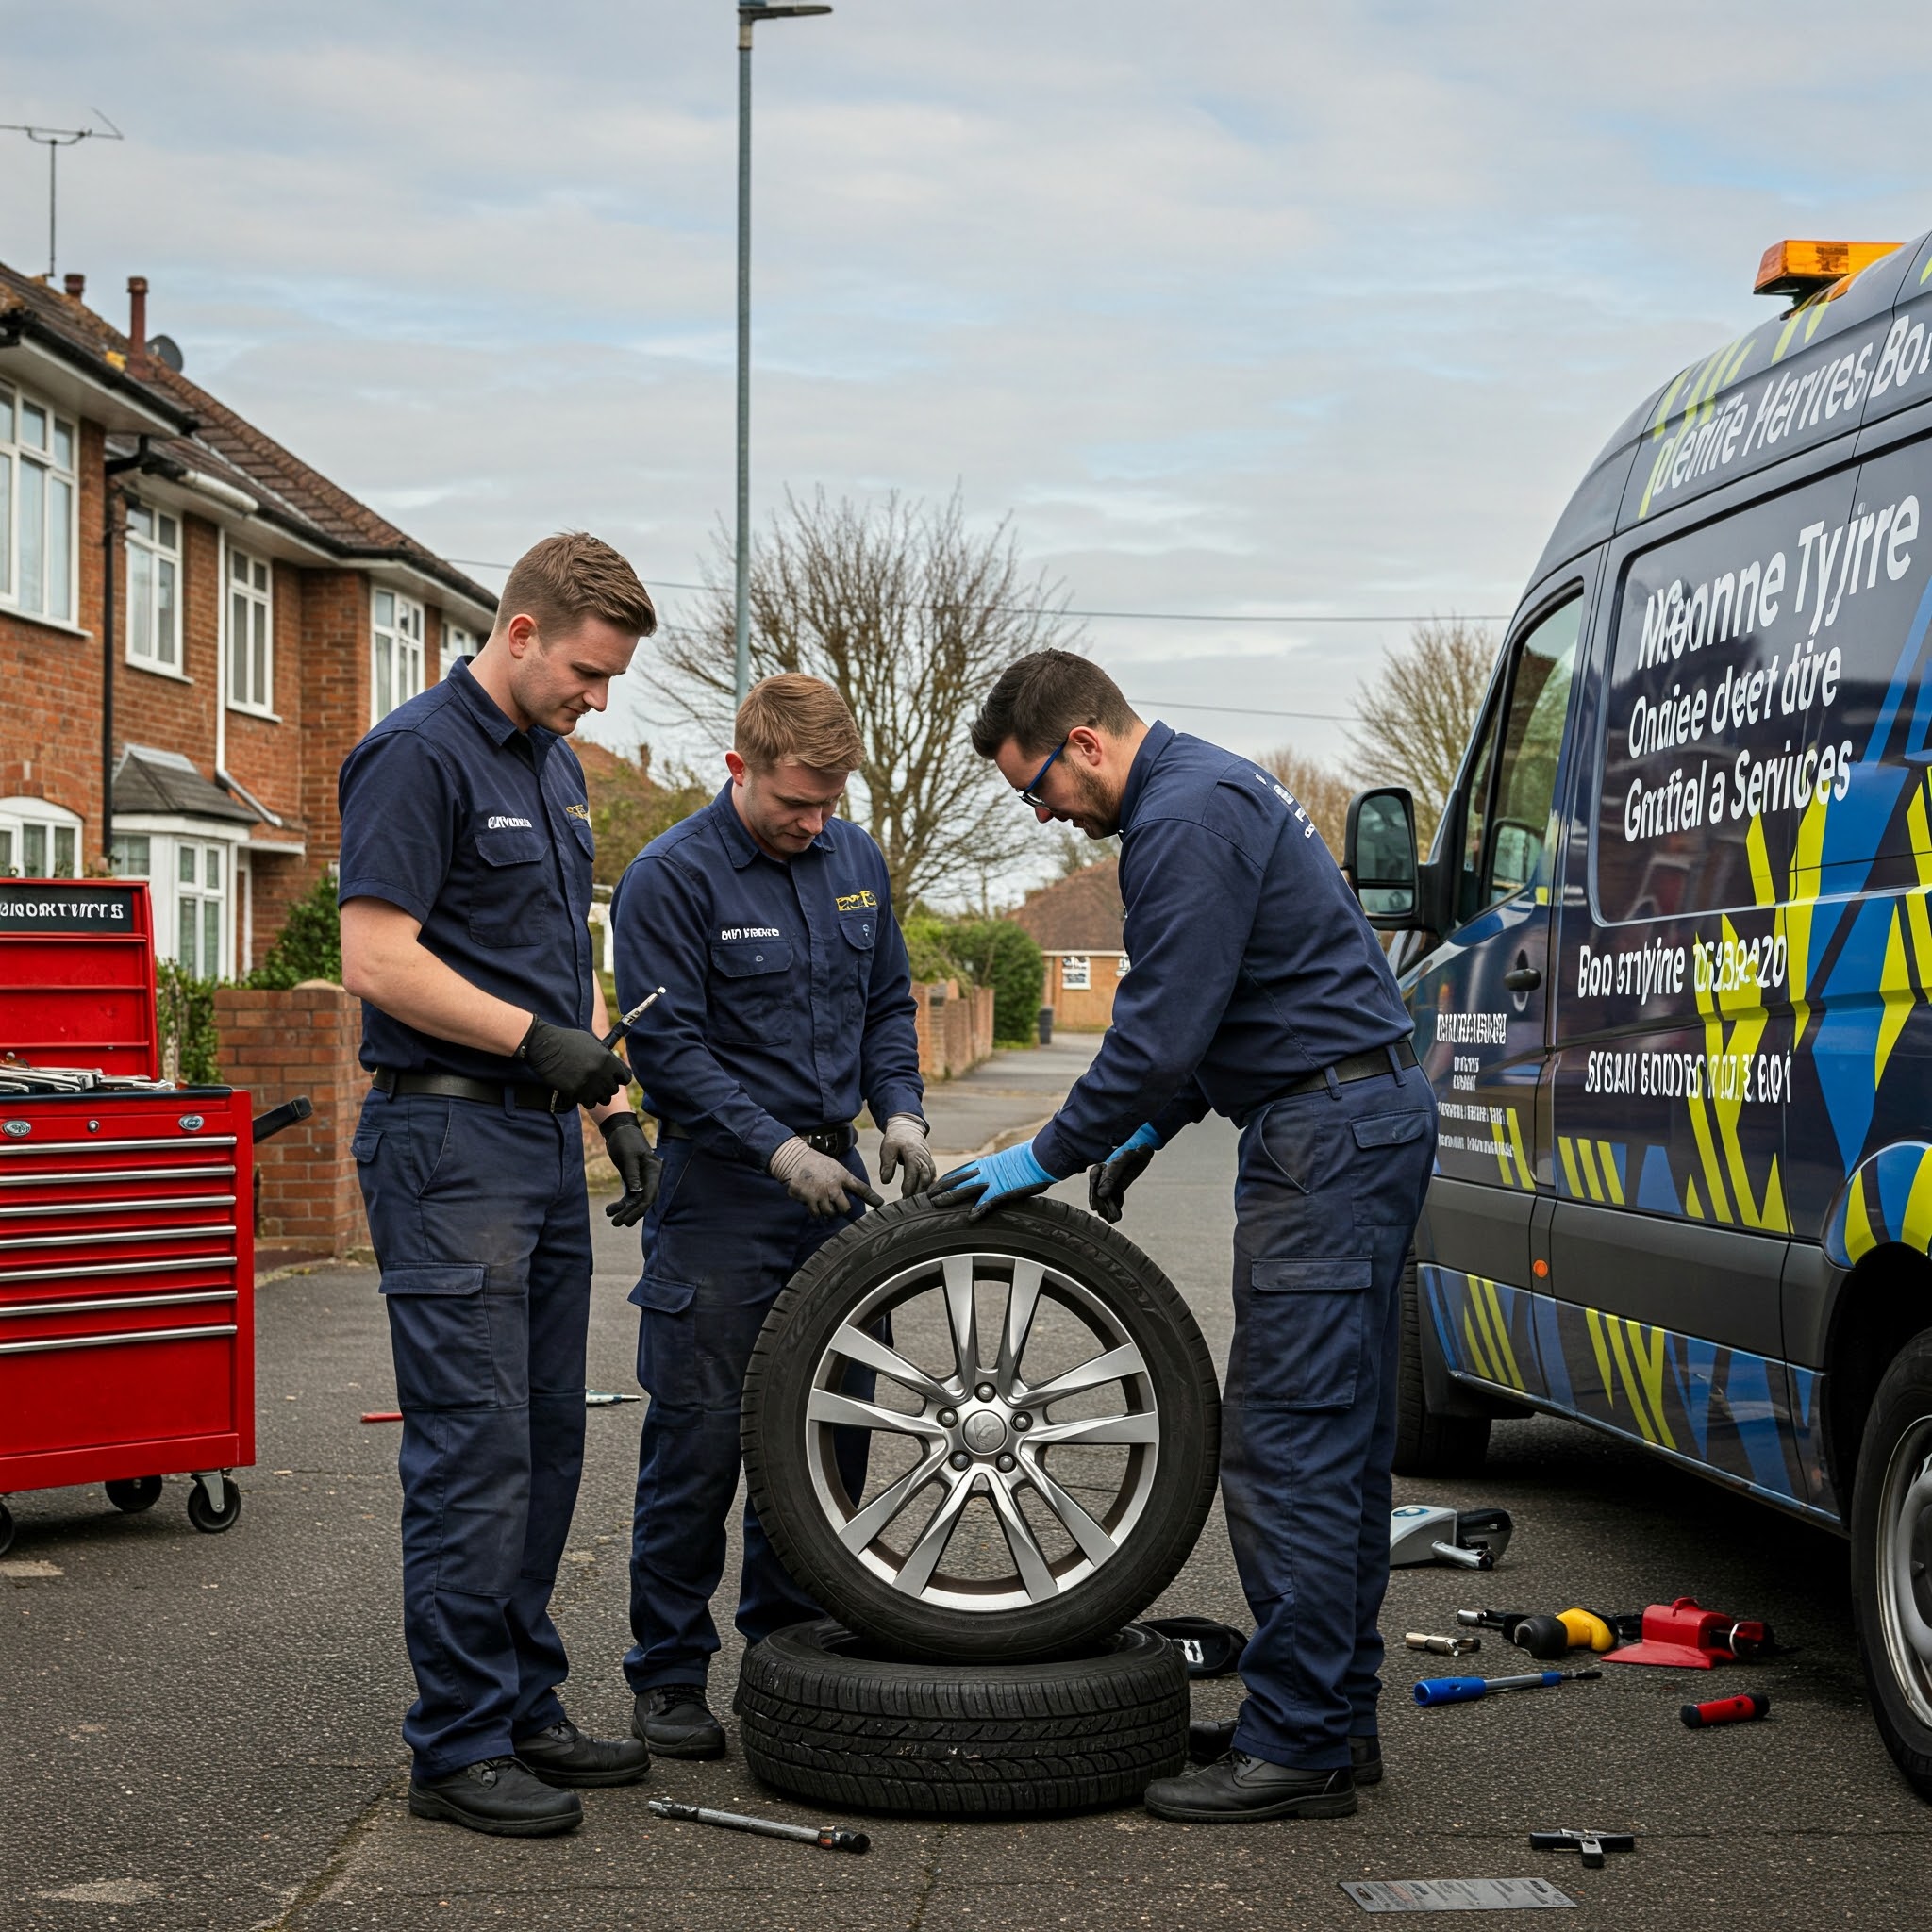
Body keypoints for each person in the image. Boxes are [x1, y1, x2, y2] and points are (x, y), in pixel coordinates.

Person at [933, 650, 1435, 1824]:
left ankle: (1299, 1741)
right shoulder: (1211, 788)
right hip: (1344, 1113)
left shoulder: (1181, 818)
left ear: (1086, 742)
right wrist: (1153, 1123)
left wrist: (1042, 1152)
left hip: (1326, 1133)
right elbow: (1242, 1002)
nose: (1045, 814)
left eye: (1035, 789)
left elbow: (1158, 1026)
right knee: (1342, 1440)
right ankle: (1328, 1718)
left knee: (1287, 1443)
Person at [338, 533, 663, 1838]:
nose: (601, 697)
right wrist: (542, 1047)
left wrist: (614, 1103)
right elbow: (378, 958)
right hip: (447, 1144)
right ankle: (457, 1745)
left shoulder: (557, 767)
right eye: (590, 670)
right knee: (474, 1455)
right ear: (521, 632)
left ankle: (522, 1702)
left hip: (536, 1144)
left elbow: (552, 966)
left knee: (543, 1442)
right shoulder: (418, 754)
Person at [610, 672, 931, 1760]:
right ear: (739, 765)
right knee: (698, 1440)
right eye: (797, 799)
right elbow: (668, 1050)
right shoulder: (672, 877)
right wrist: (774, 1146)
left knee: (829, 1435)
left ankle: (789, 1648)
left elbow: (887, 1000)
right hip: (722, 1194)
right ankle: (665, 1673)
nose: (816, 820)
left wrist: (900, 1111)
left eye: (831, 798)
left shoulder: (854, 860)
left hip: (839, 1191)